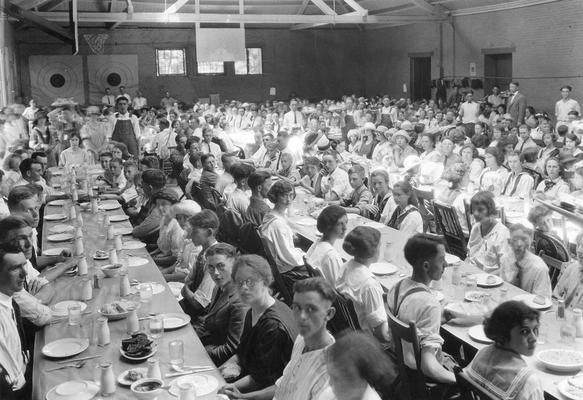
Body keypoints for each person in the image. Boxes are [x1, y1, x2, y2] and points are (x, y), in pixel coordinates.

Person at [218, 255, 298, 399]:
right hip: (255, 378)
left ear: (266, 281)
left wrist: (223, 386)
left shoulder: (273, 326)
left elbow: (262, 380)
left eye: (250, 282)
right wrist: (218, 372)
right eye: (239, 282)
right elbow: (242, 354)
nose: (243, 288)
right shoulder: (253, 310)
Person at [387, 233, 455, 384]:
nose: (446, 264)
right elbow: (429, 366)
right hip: (421, 378)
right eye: (441, 259)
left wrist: (440, 319)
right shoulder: (430, 304)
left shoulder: (397, 287)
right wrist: (462, 382)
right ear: (426, 266)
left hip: (402, 361)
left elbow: (410, 322)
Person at [464, 301, 543, 400]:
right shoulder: (529, 382)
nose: (534, 338)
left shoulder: (482, 353)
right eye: (524, 331)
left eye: (535, 329)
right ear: (503, 334)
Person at [272, 278, 336, 400]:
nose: (301, 317)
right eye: (297, 307)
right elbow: (283, 387)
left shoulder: (329, 372)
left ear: (329, 314)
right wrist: (244, 396)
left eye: (311, 309)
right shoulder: (301, 338)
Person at [193, 243, 247, 365]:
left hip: (225, 361)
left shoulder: (240, 301)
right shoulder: (219, 287)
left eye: (221, 266)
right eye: (211, 267)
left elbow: (233, 347)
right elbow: (206, 322)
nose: (215, 273)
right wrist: (191, 340)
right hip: (209, 345)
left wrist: (198, 354)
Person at [337, 226, 389, 343]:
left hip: (349, 329)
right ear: (373, 250)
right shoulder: (369, 284)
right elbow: (382, 334)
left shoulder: (345, 267)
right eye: (380, 246)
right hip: (369, 340)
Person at [0, 249, 32, 399]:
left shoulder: (9, 300)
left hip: (25, 375)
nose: (24, 273)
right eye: (14, 268)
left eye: (23, 265)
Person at [260, 181, 307, 279]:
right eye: (285, 196)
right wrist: (305, 256)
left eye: (291, 195)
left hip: (281, 261)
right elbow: (289, 256)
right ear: (276, 196)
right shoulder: (278, 224)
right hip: (285, 269)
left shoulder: (271, 214)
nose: (289, 200)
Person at [180, 210, 219, 321]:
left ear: (209, 232)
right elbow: (188, 280)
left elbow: (199, 303)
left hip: (200, 318)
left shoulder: (214, 259)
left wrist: (186, 289)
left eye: (195, 232)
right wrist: (188, 288)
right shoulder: (203, 252)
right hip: (191, 307)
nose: (191, 235)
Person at [499, 224, 552, 299]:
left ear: (531, 243)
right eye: (514, 240)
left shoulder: (539, 268)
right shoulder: (505, 260)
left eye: (524, 239)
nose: (519, 244)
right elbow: (502, 287)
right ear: (509, 242)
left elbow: (543, 299)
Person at [467, 191, 512, 273]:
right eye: (473, 210)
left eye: (480, 210)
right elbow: (470, 255)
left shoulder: (502, 234)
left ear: (490, 210)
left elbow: (506, 269)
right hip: (473, 274)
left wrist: (485, 277)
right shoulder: (476, 227)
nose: (476, 213)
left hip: (491, 279)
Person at [159, 200, 202, 282]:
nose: (181, 222)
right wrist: (163, 272)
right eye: (178, 218)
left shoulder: (198, 242)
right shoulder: (185, 235)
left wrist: (161, 277)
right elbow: (179, 263)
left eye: (186, 218)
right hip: (175, 275)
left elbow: (187, 275)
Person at [305, 206, 347, 285]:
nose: (345, 228)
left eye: (346, 222)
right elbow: (338, 287)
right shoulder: (331, 255)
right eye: (340, 224)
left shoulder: (318, 243)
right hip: (327, 294)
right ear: (329, 226)